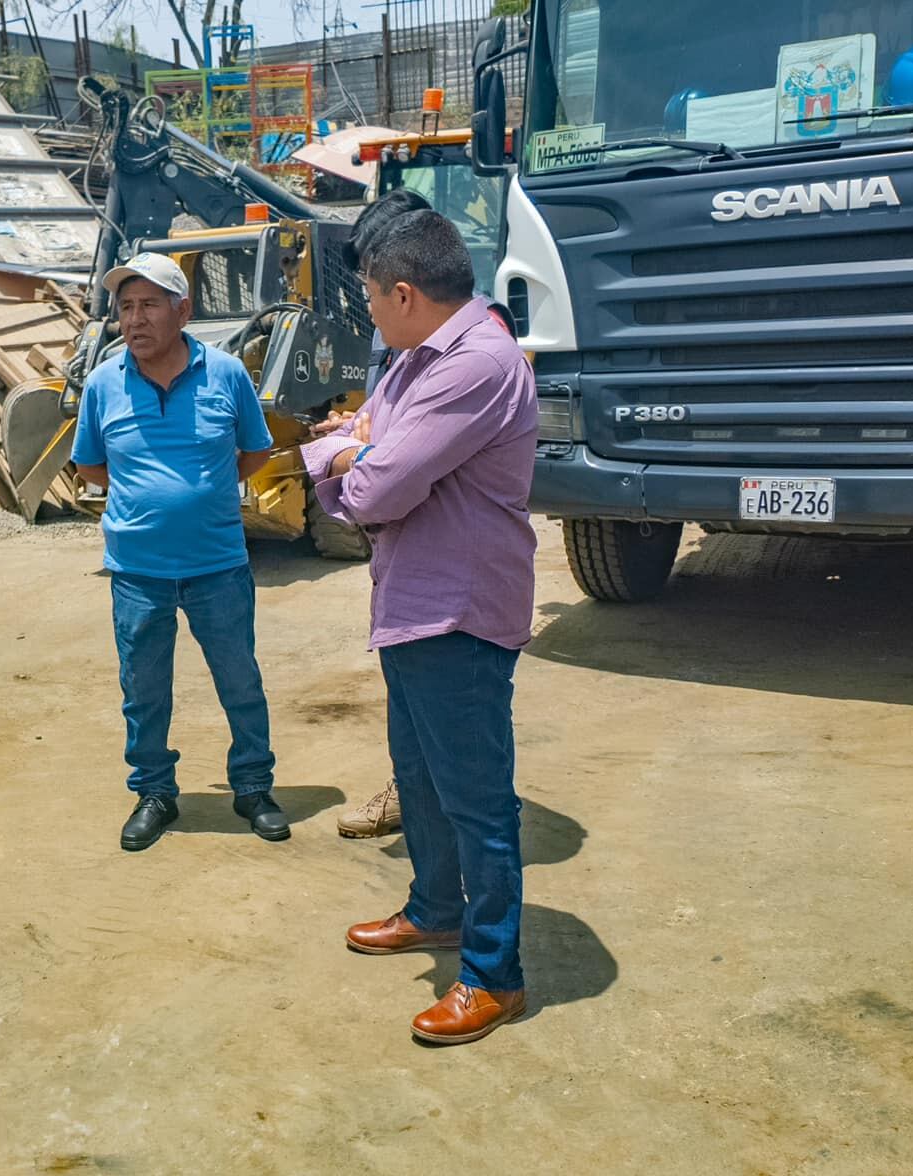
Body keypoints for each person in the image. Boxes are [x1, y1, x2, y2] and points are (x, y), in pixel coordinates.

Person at [300, 210, 538, 1046]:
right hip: (409, 604)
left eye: (368, 294)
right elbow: (362, 448)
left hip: (459, 608)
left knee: (477, 802)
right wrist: (356, 454)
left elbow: (373, 488)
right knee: (421, 778)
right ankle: (436, 910)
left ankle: (494, 974)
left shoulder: (476, 364)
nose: (365, 309)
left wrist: (352, 461)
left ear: (404, 292)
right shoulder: (412, 364)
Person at [72, 252, 288, 852]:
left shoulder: (225, 375)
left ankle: (252, 787)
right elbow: (92, 467)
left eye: (148, 306)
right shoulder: (102, 383)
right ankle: (155, 793)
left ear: (183, 310)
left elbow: (253, 453)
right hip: (138, 573)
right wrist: (153, 501)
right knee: (143, 689)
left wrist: (198, 496)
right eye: (125, 308)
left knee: (239, 681)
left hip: (219, 565)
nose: (134, 320)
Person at [329, 187, 431, 840]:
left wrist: (348, 456)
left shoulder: (464, 351)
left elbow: (390, 472)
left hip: (435, 564)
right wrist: (361, 429)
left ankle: (424, 804)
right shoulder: (394, 330)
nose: (366, 291)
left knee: (439, 702)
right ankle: (416, 792)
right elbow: (385, 423)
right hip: (399, 555)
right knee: (409, 692)